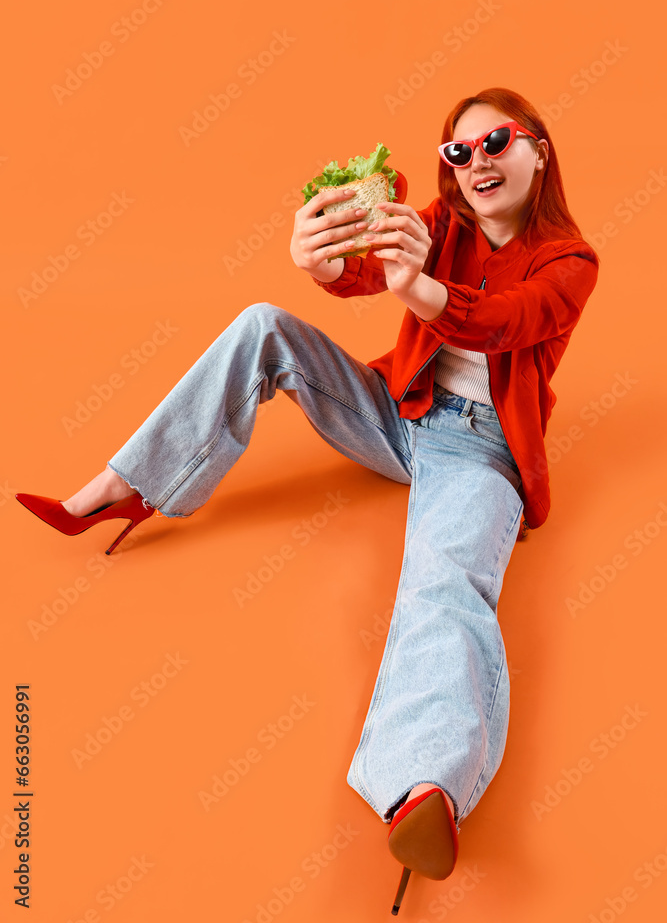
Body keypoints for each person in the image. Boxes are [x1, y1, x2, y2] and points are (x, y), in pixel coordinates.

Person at [16, 87, 599, 914]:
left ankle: (424, 786)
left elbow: (506, 322)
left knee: (442, 583)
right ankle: (129, 485)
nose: (475, 164)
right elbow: (360, 273)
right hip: (400, 411)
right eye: (457, 153)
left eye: (495, 142)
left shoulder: (570, 262)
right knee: (264, 323)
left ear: (538, 150)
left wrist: (419, 291)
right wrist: (319, 260)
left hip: (480, 450)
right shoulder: (442, 222)